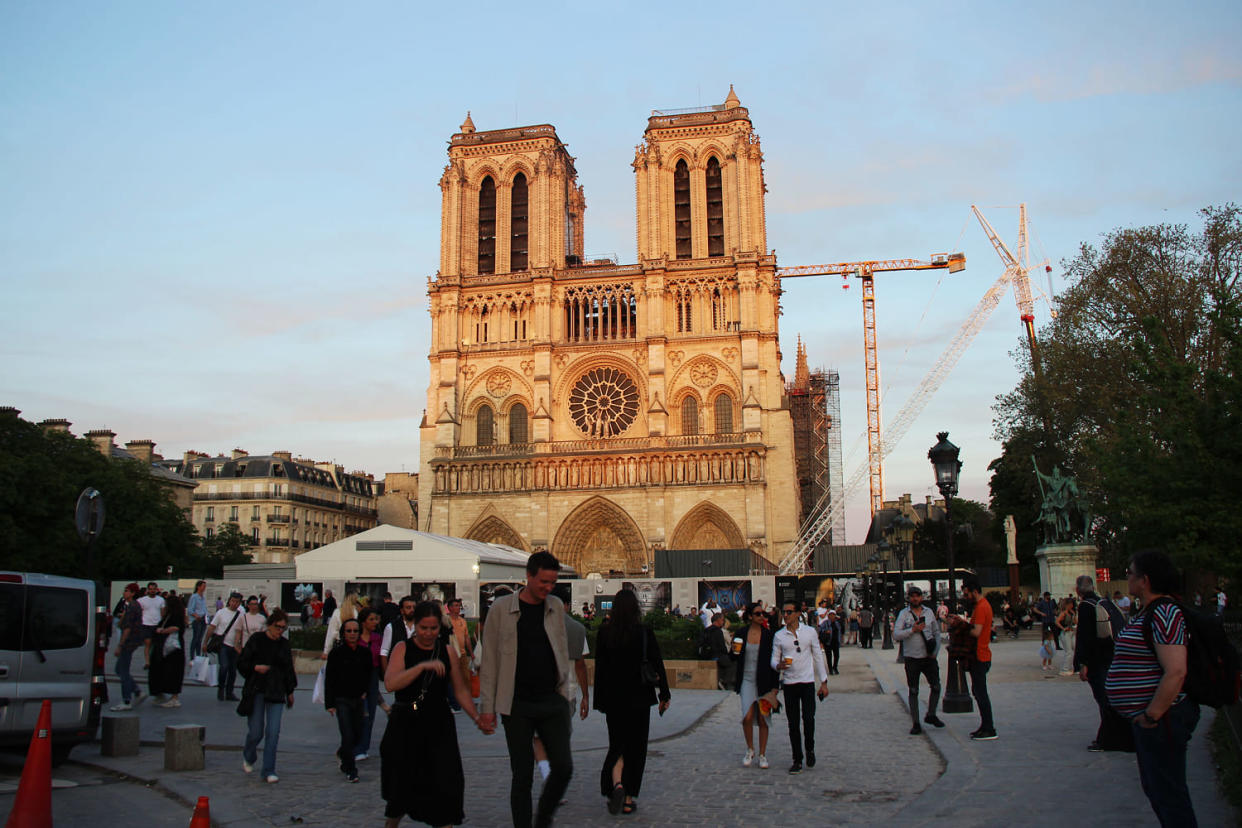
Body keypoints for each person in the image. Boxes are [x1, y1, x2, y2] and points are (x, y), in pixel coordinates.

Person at [478, 552, 573, 828]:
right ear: (528, 577)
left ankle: (542, 819)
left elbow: (561, 649)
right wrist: (487, 709)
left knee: (564, 768)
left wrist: (565, 691)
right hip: (517, 703)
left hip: (551, 700)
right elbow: (490, 661)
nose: (548, 587)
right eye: (543, 581)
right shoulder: (501, 610)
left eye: (553, 582)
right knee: (522, 776)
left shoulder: (555, 606)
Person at [1106, 550, 1200, 826]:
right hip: (1154, 720)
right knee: (1158, 790)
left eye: (1130, 573)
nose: (1127, 577)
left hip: (1163, 719)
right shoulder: (1148, 611)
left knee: (1169, 794)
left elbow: (1176, 670)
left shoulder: (1165, 612)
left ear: (1144, 580)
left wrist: (1151, 715)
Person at [383, 600, 486, 827]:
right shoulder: (403, 648)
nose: (428, 633)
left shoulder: (446, 651)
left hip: (438, 725)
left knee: (445, 785)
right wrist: (421, 668)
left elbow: (459, 689)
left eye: (433, 628)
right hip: (407, 725)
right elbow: (391, 683)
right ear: (415, 626)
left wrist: (476, 717)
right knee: (402, 788)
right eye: (423, 628)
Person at [593, 589, 670, 815]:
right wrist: (664, 694)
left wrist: (599, 701)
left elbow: (601, 670)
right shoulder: (644, 632)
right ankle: (627, 799)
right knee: (636, 749)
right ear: (636, 608)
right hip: (639, 699)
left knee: (617, 745)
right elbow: (657, 663)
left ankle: (615, 784)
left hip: (614, 701)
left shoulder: (605, 633)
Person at [237, 609, 297, 783]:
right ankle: (249, 754)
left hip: (277, 691)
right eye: (278, 627)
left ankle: (268, 769)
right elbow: (242, 662)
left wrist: (290, 691)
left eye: (283, 628)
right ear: (270, 625)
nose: (280, 631)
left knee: (273, 731)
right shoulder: (257, 640)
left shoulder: (284, 644)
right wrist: (255, 668)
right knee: (256, 731)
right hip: (257, 689)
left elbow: (288, 669)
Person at [1073, 575, 1131, 752]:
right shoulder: (1103, 602)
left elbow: (1085, 637)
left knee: (1103, 700)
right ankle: (1115, 736)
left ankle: (1108, 738)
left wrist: (1083, 663)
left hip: (1096, 660)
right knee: (1109, 699)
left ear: (1078, 590)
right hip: (1110, 656)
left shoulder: (1085, 606)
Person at [771, 600, 829, 774]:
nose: (786, 615)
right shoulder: (779, 636)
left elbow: (818, 657)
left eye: (789, 612)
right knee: (793, 723)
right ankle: (797, 758)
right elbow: (774, 659)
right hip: (789, 683)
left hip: (807, 682)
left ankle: (809, 748)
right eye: (784, 612)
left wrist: (823, 682)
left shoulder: (810, 632)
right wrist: (778, 666)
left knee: (809, 719)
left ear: (798, 614)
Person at [325, 617, 372, 783]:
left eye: (355, 631)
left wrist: (365, 691)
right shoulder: (336, 653)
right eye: (349, 631)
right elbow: (329, 679)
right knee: (347, 733)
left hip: (358, 698)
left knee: (358, 734)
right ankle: (351, 770)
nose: (352, 634)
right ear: (344, 633)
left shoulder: (364, 652)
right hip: (341, 699)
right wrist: (329, 703)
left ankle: (343, 755)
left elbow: (368, 674)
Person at [893, 586, 944, 735]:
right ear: (909, 598)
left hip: (928, 657)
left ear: (921, 597)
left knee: (936, 686)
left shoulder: (929, 613)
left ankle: (931, 714)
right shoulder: (904, 614)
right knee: (913, 690)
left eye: (918, 596)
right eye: (912, 596)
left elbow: (936, 632)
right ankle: (916, 722)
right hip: (912, 658)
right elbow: (896, 634)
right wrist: (912, 630)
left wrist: (935, 651)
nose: (915, 598)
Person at [732, 601, 778, 769]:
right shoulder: (741, 633)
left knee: (763, 718)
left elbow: (774, 662)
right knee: (747, 716)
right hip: (747, 679)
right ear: (750, 616)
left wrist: (775, 685)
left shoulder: (768, 635)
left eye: (763, 614)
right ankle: (750, 749)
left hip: (764, 680)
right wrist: (734, 650)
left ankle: (763, 754)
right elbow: (734, 656)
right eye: (757, 614)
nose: (761, 616)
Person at [952, 578, 996, 740]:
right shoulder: (981, 606)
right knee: (978, 691)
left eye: (966, 594)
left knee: (980, 692)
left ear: (974, 592)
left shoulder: (982, 607)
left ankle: (989, 728)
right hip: (981, 653)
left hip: (979, 654)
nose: (965, 597)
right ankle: (985, 726)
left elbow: (976, 631)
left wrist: (960, 627)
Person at [355, 607, 389, 760]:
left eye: (376, 619)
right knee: (362, 713)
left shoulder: (377, 638)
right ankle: (357, 746)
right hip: (358, 676)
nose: (375, 622)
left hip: (373, 675)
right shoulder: (355, 638)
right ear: (363, 622)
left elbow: (382, 655)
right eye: (371, 619)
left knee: (370, 716)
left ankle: (363, 747)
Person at [110, 583, 146, 711]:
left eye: (127, 591)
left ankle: (126, 700)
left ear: (133, 593)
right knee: (119, 669)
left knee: (123, 671)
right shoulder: (133, 606)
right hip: (133, 641)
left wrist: (120, 645)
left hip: (128, 642)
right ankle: (136, 690)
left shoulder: (132, 606)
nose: (124, 593)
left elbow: (127, 628)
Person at [149, 593, 186, 708]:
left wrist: (162, 631)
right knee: (163, 670)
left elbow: (176, 627)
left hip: (173, 647)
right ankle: (161, 693)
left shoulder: (175, 616)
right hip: (170, 648)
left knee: (172, 672)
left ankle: (173, 698)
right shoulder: (171, 615)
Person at [205, 592, 244, 702]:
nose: (234, 604)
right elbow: (211, 628)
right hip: (223, 645)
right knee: (224, 666)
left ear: (240, 603)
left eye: (237, 602)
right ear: (229, 601)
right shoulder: (221, 613)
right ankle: (221, 689)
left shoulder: (241, 615)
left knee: (232, 670)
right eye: (232, 601)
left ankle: (229, 692)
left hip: (235, 645)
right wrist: (205, 643)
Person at [380, 596, 418, 673]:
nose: (412, 610)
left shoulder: (421, 626)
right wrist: (386, 674)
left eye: (414, 607)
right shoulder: (391, 627)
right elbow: (384, 652)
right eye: (408, 607)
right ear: (402, 610)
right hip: (397, 672)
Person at [322, 593, 361, 660]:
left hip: (339, 644)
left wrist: (326, 651)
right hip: (354, 645)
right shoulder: (356, 613)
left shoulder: (337, 612)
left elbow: (331, 633)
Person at [137, 581, 165, 669]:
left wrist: (162, 625)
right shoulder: (142, 600)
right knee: (148, 643)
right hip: (146, 624)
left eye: (154, 589)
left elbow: (163, 613)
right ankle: (147, 662)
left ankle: (155, 661)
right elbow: (139, 612)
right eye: (150, 589)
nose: (152, 591)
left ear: (156, 590)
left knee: (156, 645)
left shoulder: (161, 600)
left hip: (157, 624)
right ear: (148, 590)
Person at [702, 612, 732, 689]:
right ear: (718, 620)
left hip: (706, 656)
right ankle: (724, 681)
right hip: (716, 656)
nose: (723, 622)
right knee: (732, 662)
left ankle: (721, 680)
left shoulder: (706, 630)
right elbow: (722, 647)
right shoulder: (718, 631)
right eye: (722, 620)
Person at [187, 580, 208, 659]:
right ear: (198, 587)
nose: (204, 588)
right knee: (195, 638)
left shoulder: (203, 597)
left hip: (203, 619)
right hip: (197, 619)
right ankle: (192, 656)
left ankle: (198, 655)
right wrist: (196, 616)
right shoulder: (194, 597)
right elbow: (190, 609)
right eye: (203, 586)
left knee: (200, 639)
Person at [1056, 597, 1077, 675]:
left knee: (1074, 649)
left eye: (1072, 604)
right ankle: (1065, 669)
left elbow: (1075, 622)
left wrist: (1074, 616)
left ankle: (1070, 667)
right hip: (1065, 633)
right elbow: (1057, 621)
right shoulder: (1063, 613)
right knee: (1069, 652)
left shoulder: (1072, 612)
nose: (1071, 606)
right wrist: (1063, 628)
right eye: (1070, 604)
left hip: (1071, 632)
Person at [817, 609, 842, 675]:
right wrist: (825, 631)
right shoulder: (825, 623)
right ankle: (830, 669)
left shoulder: (837, 623)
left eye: (833, 615)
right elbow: (820, 629)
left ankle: (835, 667)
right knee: (829, 656)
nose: (832, 616)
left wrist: (840, 640)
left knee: (837, 655)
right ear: (828, 616)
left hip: (835, 641)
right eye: (830, 615)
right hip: (828, 642)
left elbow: (839, 632)